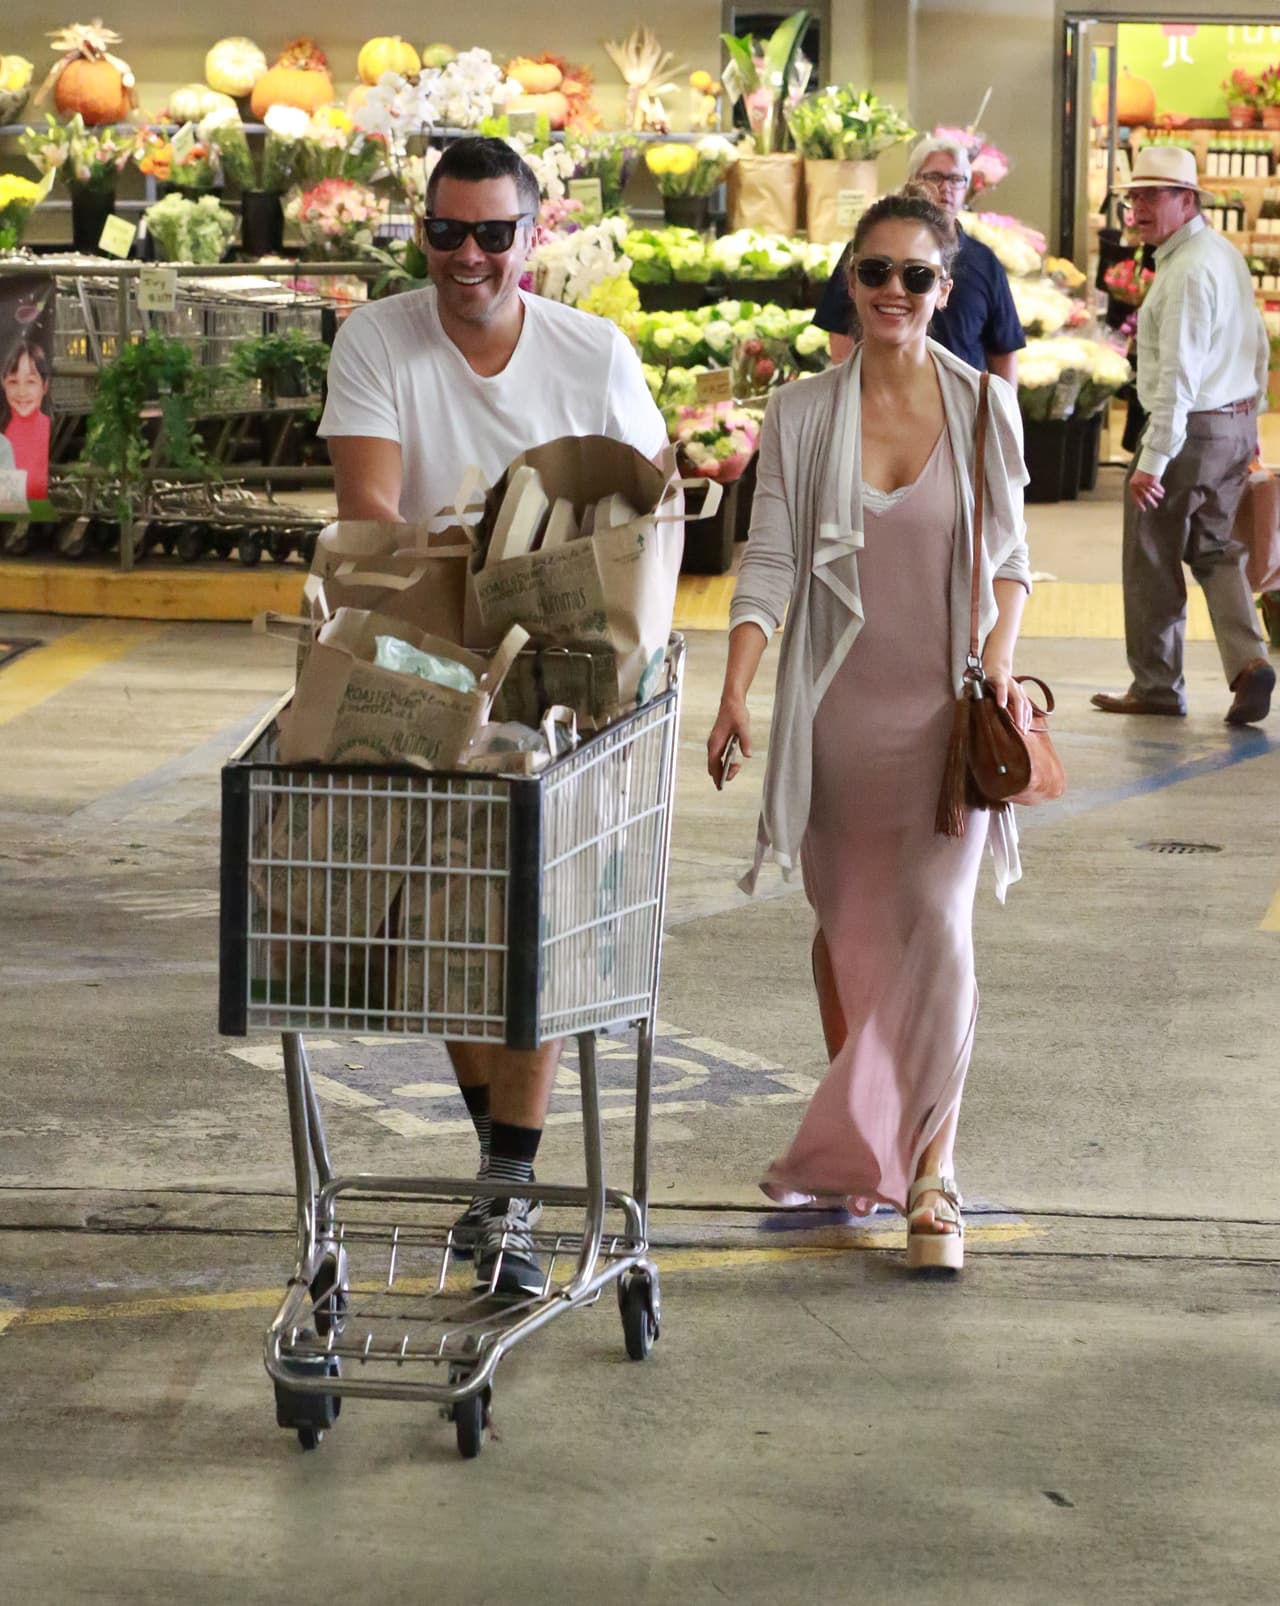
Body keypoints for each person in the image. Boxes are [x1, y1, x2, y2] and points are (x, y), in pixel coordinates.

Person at [318, 136, 668, 1297]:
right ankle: (503, 1178)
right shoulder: (379, 340)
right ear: (420, 230)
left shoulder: (592, 353)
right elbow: (371, 513)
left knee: (538, 926)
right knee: (443, 932)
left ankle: (507, 1192)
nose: (465, 256)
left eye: (490, 234)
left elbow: (646, 513)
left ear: (532, 234)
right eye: (444, 232)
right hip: (430, 671)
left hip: (565, 684)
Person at [706, 193, 1033, 1273]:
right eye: (874, 271)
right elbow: (767, 562)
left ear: (945, 291)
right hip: (837, 717)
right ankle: (866, 1139)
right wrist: (737, 690)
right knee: (847, 931)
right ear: (849, 280)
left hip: (945, 720)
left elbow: (1012, 563)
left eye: (915, 276)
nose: (893, 291)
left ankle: (932, 1172)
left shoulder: (985, 407)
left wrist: (996, 658)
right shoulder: (800, 412)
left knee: (937, 928)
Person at [1090, 145, 1274, 726]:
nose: (1138, 209)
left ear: (1187, 201)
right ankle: (1249, 661)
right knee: (1216, 548)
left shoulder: (1187, 272)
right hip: (1232, 423)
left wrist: (1152, 458)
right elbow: (1257, 341)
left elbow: (1177, 376)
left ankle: (1156, 685)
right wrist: (1253, 418)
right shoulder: (1221, 254)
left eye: (1153, 196)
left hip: (1189, 432)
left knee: (1150, 555)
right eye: (1134, 197)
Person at [813, 136, 1025, 382]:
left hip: (961, 400)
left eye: (956, 179)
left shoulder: (984, 261)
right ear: (912, 179)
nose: (945, 188)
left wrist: (1001, 404)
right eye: (934, 176)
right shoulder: (869, 249)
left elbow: (1003, 348)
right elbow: (840, 330)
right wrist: (849, 391)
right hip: (874, 391)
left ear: (944, 289)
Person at [0, 338, 52, 503]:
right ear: (3, 384)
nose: (22, 392)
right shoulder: (3, 436)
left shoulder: (49, 426)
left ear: (45, 385)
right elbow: (9, 501)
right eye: (13, 382)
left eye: (30, 382)